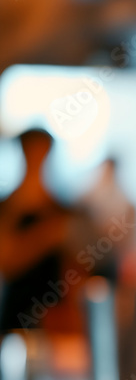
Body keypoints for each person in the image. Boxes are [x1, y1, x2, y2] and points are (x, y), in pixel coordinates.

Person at [0, 129, 72, 331]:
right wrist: (46, 236)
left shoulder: (62, 207)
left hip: (54, 316)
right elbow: (6, 262)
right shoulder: (8, 206)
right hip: (15, 313)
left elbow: (78, 265)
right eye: (31, 151)